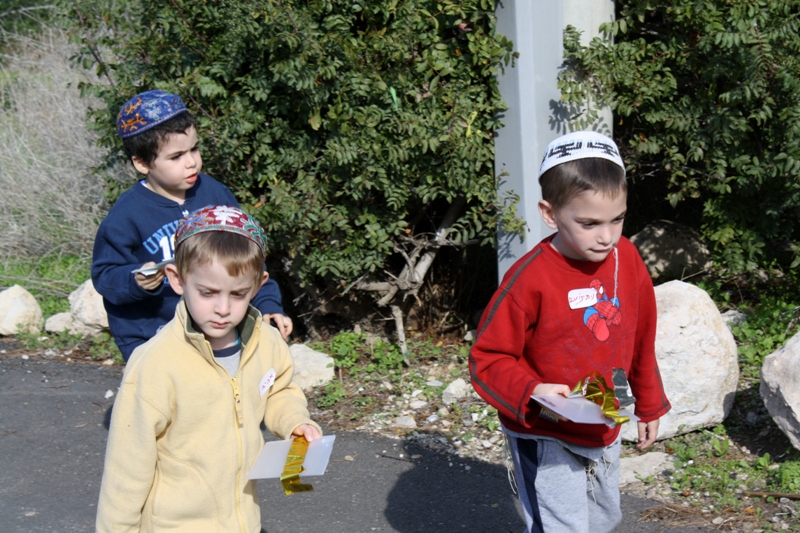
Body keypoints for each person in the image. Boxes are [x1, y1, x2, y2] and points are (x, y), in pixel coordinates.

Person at [469, 131, 671, 533]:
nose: (607, 236)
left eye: (617, 219)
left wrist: (649, 403)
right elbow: (487, 358)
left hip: (606, 417)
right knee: (562, 525)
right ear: (550, 213)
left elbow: (640, 337)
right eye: (589, 223)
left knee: (602, 517)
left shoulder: (626, 258)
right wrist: (533, 390)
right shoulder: (529, 279)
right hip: (545, 426)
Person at [96, 205, 321, 532]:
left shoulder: (266, 342)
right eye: (207, 292)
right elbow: (125, 471)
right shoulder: (155, 365)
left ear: (258, 286)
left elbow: (278, 390)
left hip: (242, 519)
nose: (222, 309)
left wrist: (293, 421)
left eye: (239, 294)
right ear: (177, 279)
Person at [91, 90, 293, 361]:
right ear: (141, 163)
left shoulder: (215, 195)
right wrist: (135, 280)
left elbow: (247, 257)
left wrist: (268, 304)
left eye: (194, 149)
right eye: (176, 157)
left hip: (215, 328)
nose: (191, 162)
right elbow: (105, 275)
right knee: (164, 400)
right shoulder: (126, 216)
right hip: (151, 335)